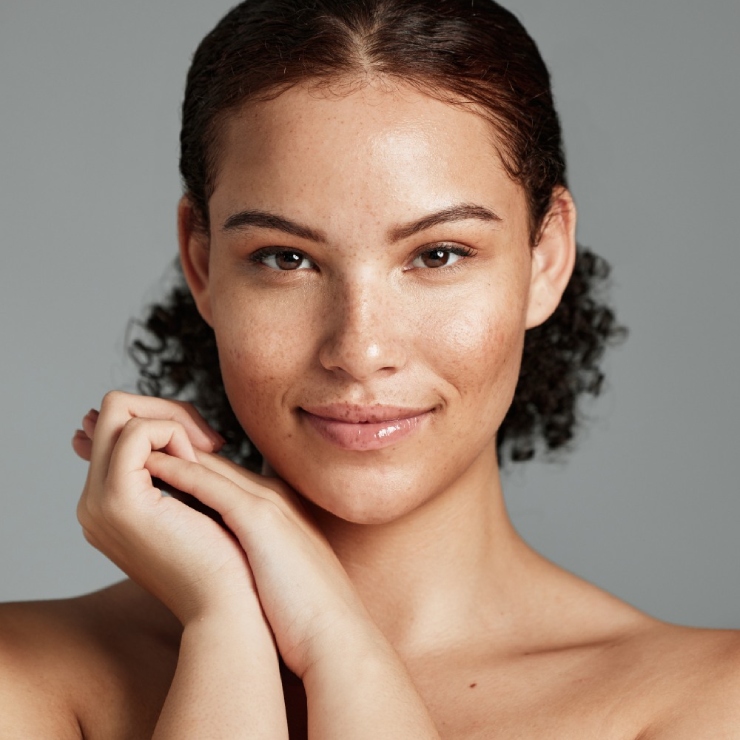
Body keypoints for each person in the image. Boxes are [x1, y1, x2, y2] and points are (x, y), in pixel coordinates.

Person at [1, 0, 739, 737]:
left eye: (438, 254)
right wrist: (226, 622)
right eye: (286, 259)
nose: (358, 350)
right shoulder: (24, 680)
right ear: (201, 262)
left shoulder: (706, 704)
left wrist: (337, 642)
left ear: (545, 259)